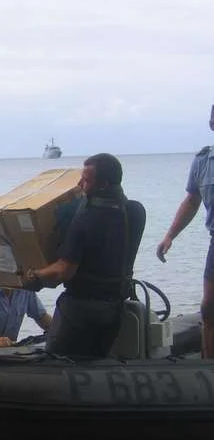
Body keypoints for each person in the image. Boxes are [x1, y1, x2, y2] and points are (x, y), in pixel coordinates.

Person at [24, 153, 146, 358]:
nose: (80, 184)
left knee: (56, 364)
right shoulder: (135, 211)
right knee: (97, 361)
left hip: (79, 310)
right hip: (114, 309)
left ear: (104, 185)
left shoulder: (85, 219)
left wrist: (35, 276)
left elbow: (64, 270)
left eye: (87, 180)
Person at [156, 105, 214, 359]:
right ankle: (208, 364)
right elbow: (192, 201)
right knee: (209, 306)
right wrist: (170, 235)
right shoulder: (203, 161)